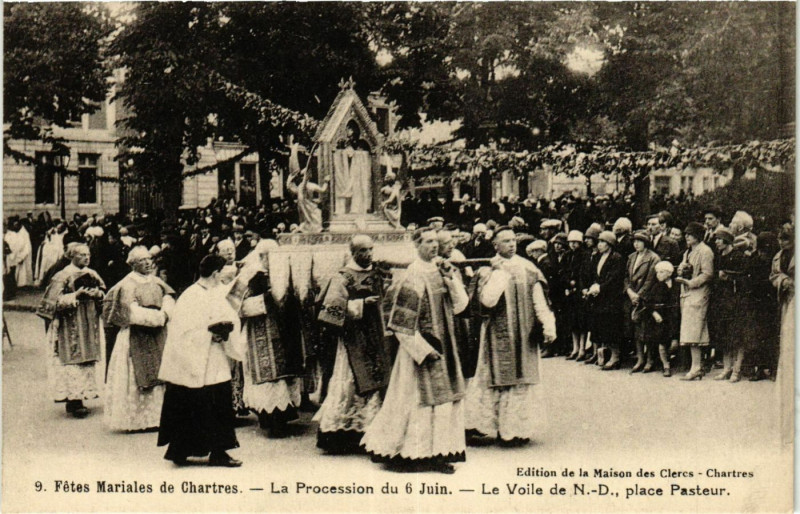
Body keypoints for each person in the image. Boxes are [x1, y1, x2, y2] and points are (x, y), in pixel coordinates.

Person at [361, 227, 469, 474]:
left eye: (435, 242)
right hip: (418, 352)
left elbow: (462, 305)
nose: (433, 246)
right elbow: (400, 323)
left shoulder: (443, 270)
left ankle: (440, 454)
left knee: (444, 402)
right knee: (415, 401)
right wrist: (422, 350)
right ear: (417, 245)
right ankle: (411, 454)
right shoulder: (412, 276)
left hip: (446, 344)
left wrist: (451, 279)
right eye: (428, 241)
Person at [464, 227, 556, 446]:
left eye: (513, 240)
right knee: (495, 381)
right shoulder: (487, 270)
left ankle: (517, 430)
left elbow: (539, 300)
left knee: (522, 383)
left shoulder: (528, 268)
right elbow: (487, 302)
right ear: (495, 245)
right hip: (497, 336)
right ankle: (495, 429)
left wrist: (548, 326)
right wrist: (499, 274)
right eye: (505, 241)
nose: (511, 244)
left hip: (524, 335)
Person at [157, 254, 244, 467]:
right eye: (223, 276)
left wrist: (225, 331)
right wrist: (208, 335)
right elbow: (182, 332)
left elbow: (229, 317)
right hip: (194, 360)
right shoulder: (191, 295)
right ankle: (180, 451)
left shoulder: (215, 293)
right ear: (214, 274)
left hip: (214, 358)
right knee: (192, 404)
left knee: (218, 404)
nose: (224, 280)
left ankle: (219, 452)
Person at [314, 235, 391, 454]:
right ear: (353, 252)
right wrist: (360, 304)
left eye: (370, 249)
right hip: (353, 337)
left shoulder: (377, 272)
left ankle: (371, 430)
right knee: (350, 381)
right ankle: (344, 436)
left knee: (378, 377)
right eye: (363, 251)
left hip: (376, 334)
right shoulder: (343, 276)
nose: (368, 254)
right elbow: (330, 309)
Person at [226, 239, 303, 438]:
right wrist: (265, 300)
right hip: (260, 331)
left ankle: (283, 416)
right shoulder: (249, 274)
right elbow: (233, 303)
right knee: (268, 378)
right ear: (260, 256)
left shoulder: (282, 272)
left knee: (284, 376)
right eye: (267, 256)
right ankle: (270, 419)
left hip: (283, 331)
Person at [103, 246, 176, 431]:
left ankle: (160, 417)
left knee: (162, 372)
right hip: (136, 334)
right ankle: (139, 420)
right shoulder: (126, 285)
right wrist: (159, 318)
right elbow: (131, 313)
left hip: (159, 333)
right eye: (142, 260)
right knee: (136, 375)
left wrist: (167, 312)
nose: (147, 263)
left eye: (149, 259)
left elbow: (169, 297)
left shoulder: (157, 281)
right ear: (133, 264)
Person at [36, 243, 106, 418]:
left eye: (88, 254)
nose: (86, 258)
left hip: (89, 322)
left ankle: (82, 395)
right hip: (70, 323)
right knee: (72, 360)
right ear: (71, 256)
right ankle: (74, 401)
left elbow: (104, 294)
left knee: (87, 360)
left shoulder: (92, 274)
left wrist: (98, 295)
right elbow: (51, 302)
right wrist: (75, 296)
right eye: (82, 255)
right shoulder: (62, 276)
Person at [675, 222, 715, 381]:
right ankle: (696, 366)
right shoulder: (688, 252)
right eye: (685, 234)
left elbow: (707, 274)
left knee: (695, 331)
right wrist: (681, 270)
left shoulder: (705, 251)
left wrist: (691, 282)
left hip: (698, 294)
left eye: (690, 234)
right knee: (691, 331)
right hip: (687, 294)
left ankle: (697, 367)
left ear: (697, 236)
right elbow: (683, 268)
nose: (686, 237)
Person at [585, 231, 625, 370]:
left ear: (610, 244)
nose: (600, 245)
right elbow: (593, 275)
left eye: (603, 242)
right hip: (599, 298)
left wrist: (600, 287)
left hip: (611, 298)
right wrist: (590, 287)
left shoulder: (616, 258)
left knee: (612, 327)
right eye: (599, 242)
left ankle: (615, 357)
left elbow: (614, 278)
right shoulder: (597, 257)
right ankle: (604, 354)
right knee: (601, 326)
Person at [624, 230, 660, 372]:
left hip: (646, 298)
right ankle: (640, 358)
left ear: (646, 243)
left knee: (647, 330)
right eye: (634, 241)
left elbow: (650, 280)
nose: (636, 244)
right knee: (635, 329)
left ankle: (650, 359)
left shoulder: (653, 258)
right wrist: (629, 292)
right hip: (632, 296)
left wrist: (639, 295)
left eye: (639, 241)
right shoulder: (631, 257)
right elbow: (626, 277)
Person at [638, 261, 681, 377]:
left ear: (669, 273)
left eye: (662, 272)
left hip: (674, 317)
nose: (659, 275)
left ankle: (673, 359)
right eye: (657, 272)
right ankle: (666, 365)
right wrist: (654, 313)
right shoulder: (656, 286)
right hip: (660, 317)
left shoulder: (677, 285)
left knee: (674, 342)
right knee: (662, 341)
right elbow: (648, 303)